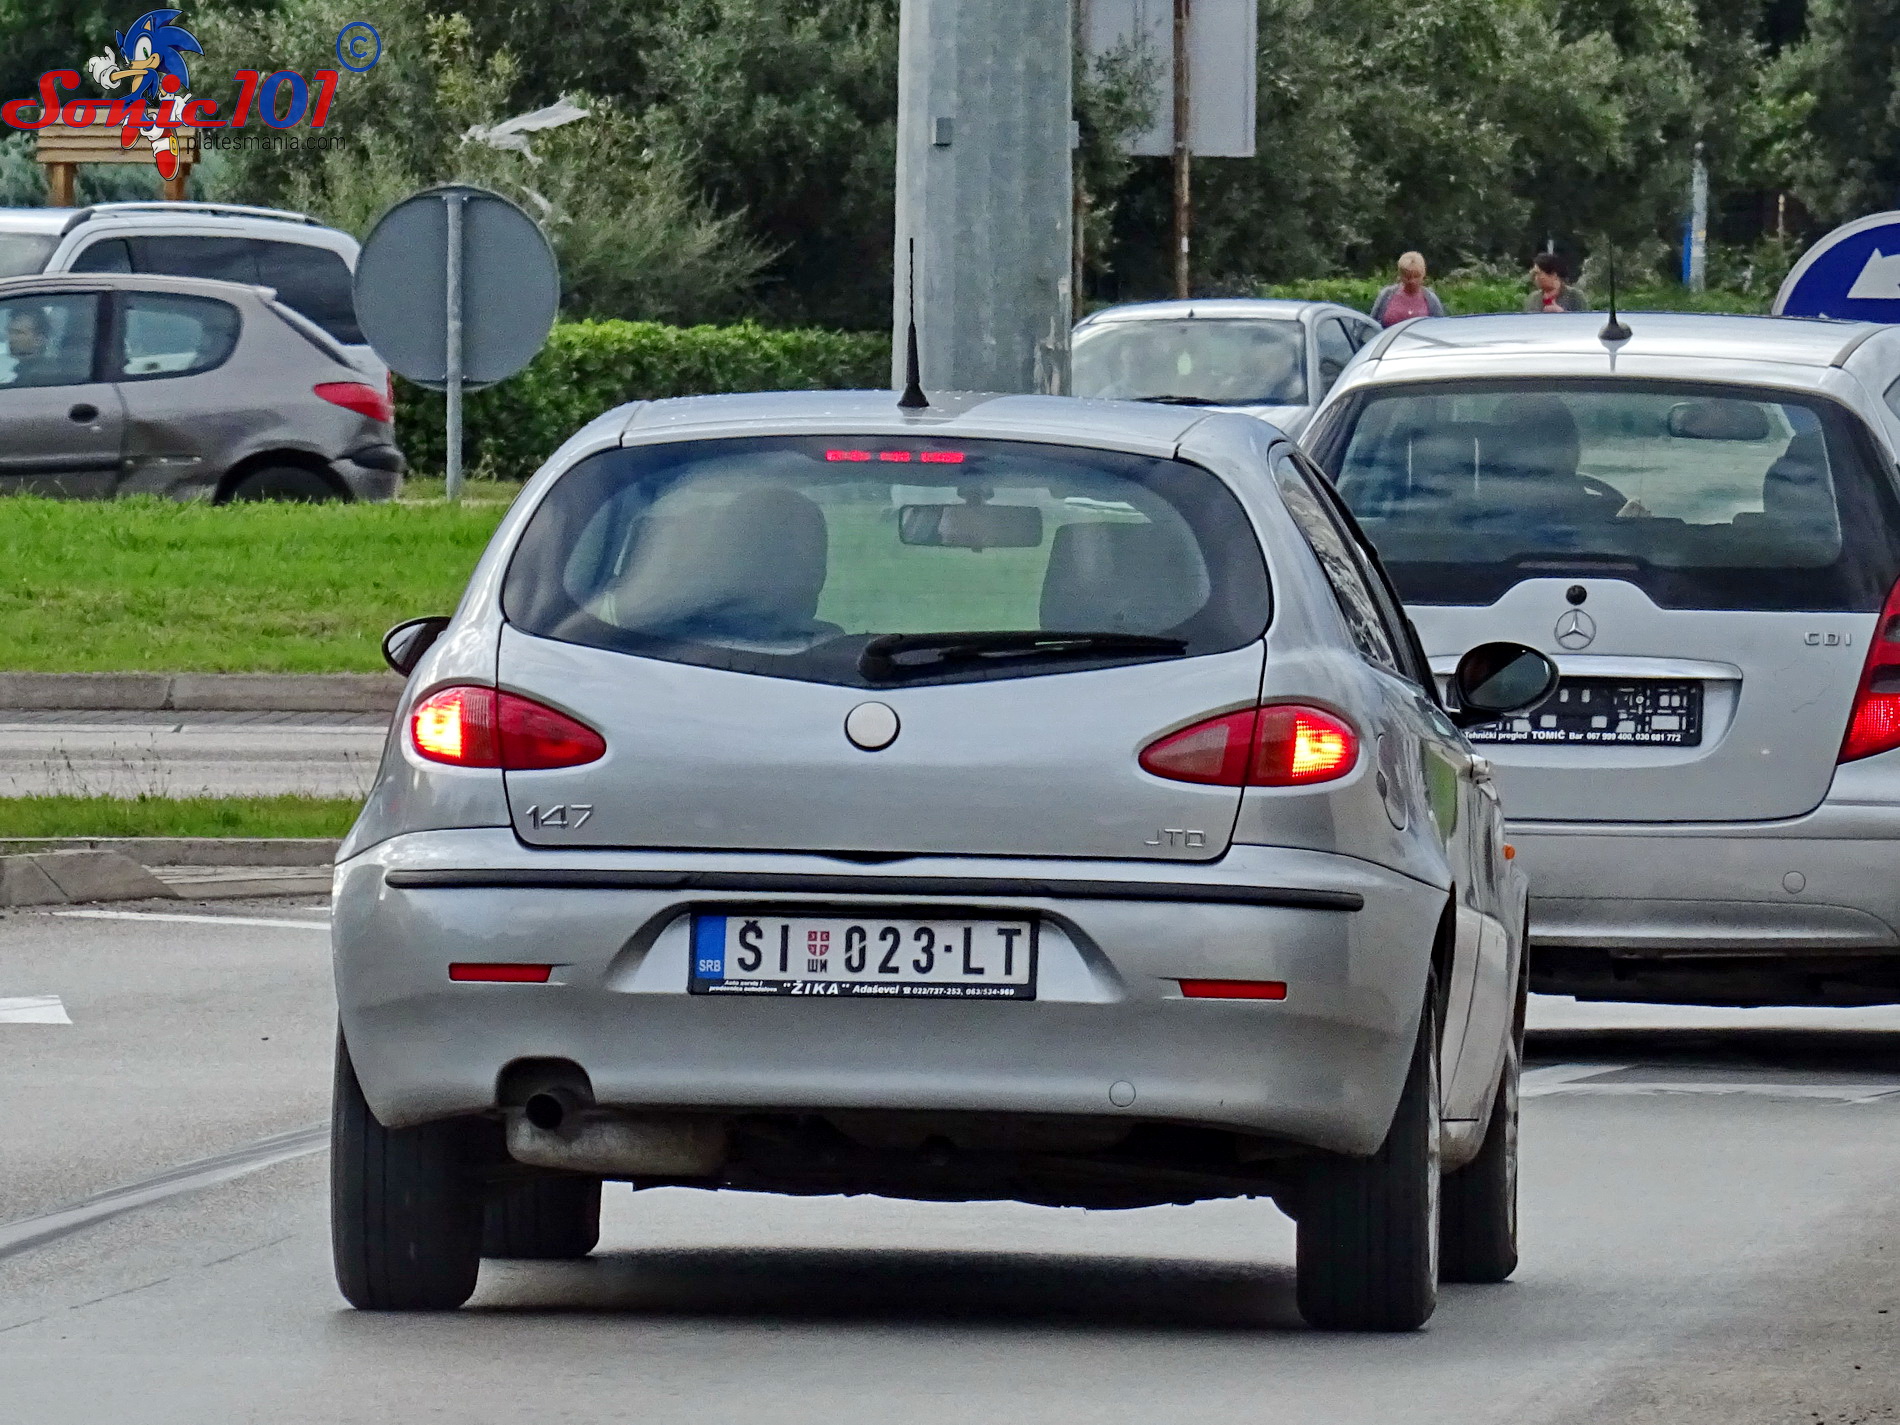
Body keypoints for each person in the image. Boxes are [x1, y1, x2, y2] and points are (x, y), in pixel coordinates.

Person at [1370, 252, 1446, 326]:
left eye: (1416, 276)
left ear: (1423, 274)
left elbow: (1439, 327)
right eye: (1407, 276)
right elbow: (1371, 324)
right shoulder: (1386, 294)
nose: (1412, 281)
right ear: (1400, 274)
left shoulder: (1431, 300)